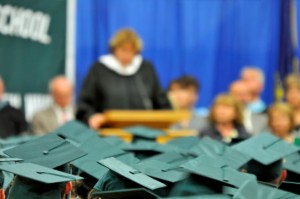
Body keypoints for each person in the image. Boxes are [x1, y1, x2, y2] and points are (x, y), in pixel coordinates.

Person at [76, 28, 171, 129]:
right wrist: (91, 116)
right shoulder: (99, 69)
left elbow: (161, 101)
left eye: (131, 51)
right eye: (123, 50)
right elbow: (85, 103)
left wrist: (168, 116)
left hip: (144, 130)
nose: (127, 55)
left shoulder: (145, 69)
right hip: (108, 132)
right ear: (114, 49)